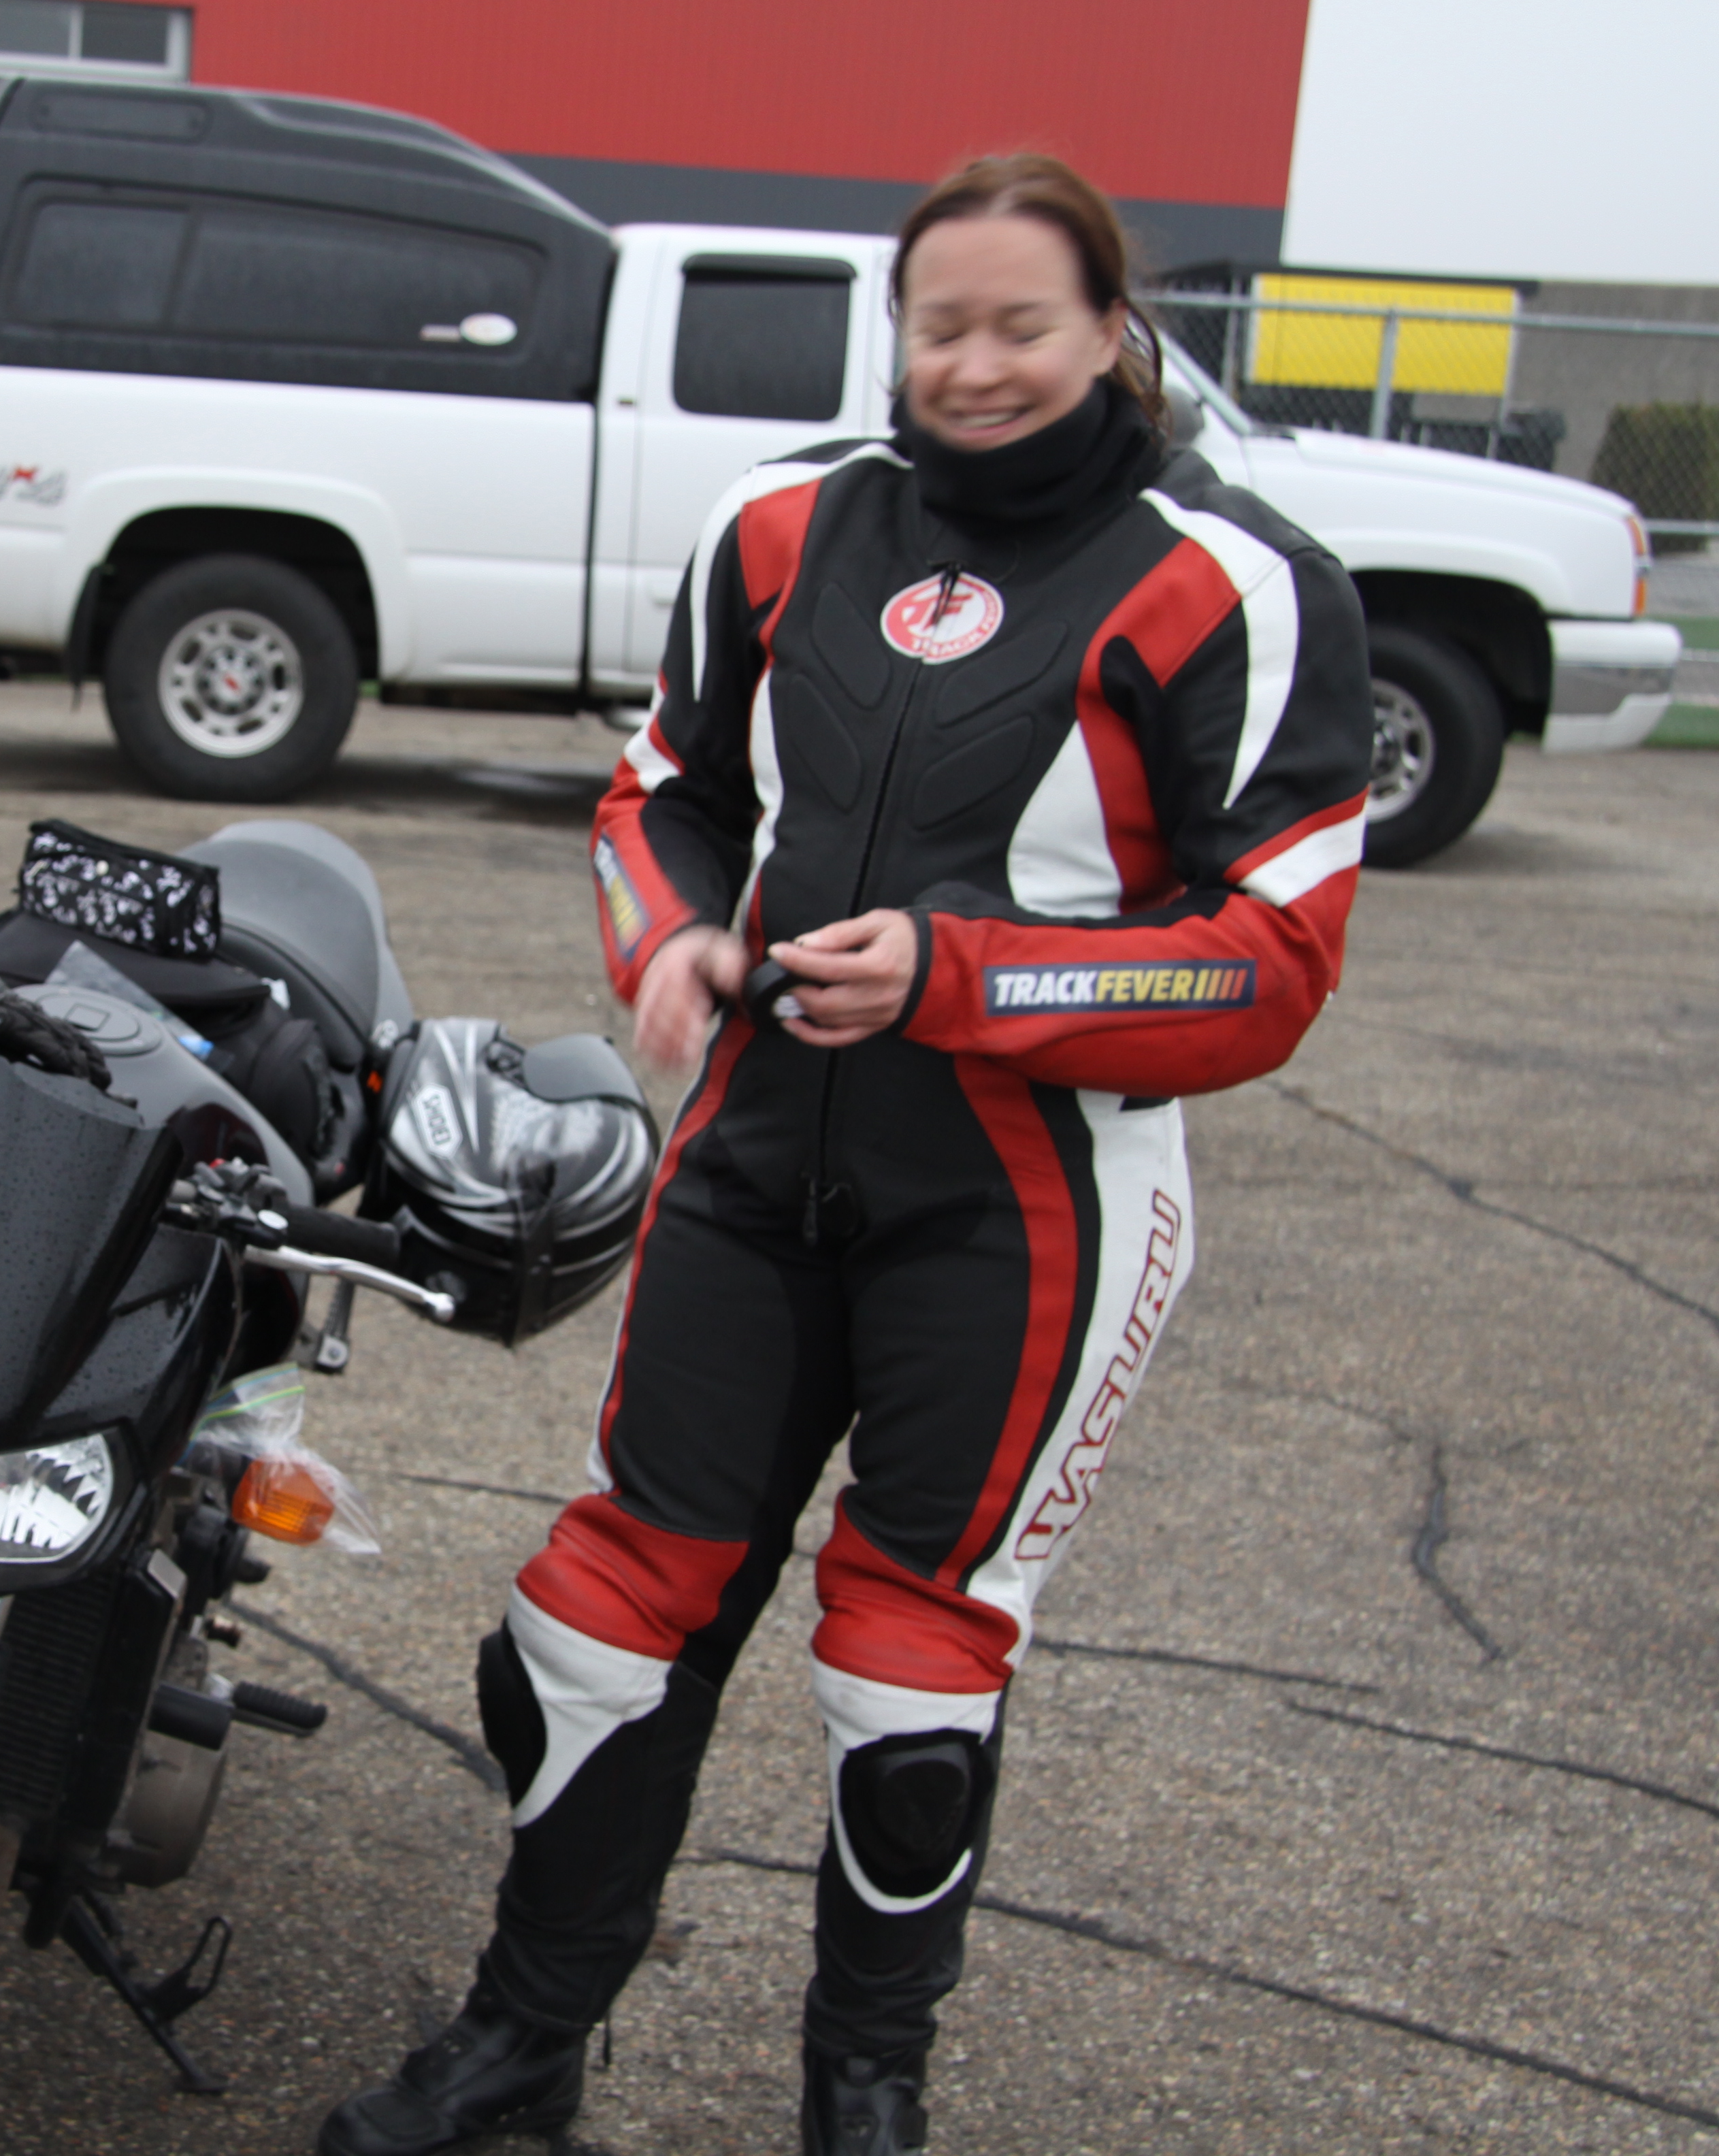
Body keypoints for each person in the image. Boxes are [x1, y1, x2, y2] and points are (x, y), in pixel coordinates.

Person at [319, 153, 1373, 2156]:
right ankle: (520, 2045)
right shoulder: (782, 524)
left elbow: (1270, 963)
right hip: (748, 1168)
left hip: (1024, 1210)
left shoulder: (1232, 583)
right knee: (599, 1618)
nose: (976, 364)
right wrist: (667, 938)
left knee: (909, 1672)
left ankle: (863, 2094)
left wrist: (959, 975)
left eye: (1024, 325)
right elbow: (662, 794)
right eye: (939, 324)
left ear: (1111, 329)